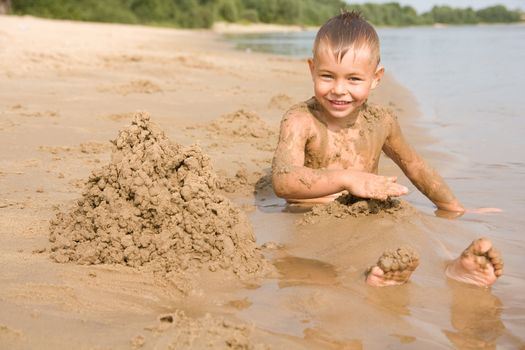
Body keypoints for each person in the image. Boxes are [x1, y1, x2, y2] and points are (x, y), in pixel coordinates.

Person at [271, 11, 503, 287]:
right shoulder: (300, 120)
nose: (339, 89)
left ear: (376, 77)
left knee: (416, 227)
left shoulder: (382, 121)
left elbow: (415, 166)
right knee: (335, 250)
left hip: (372, 211)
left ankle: (452, 268)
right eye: (327, 76)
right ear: (312, 69)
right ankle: (375, 274)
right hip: (312, 217)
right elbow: (283, 180)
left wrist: (454, 207)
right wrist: (348, 179)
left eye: (354, 79)